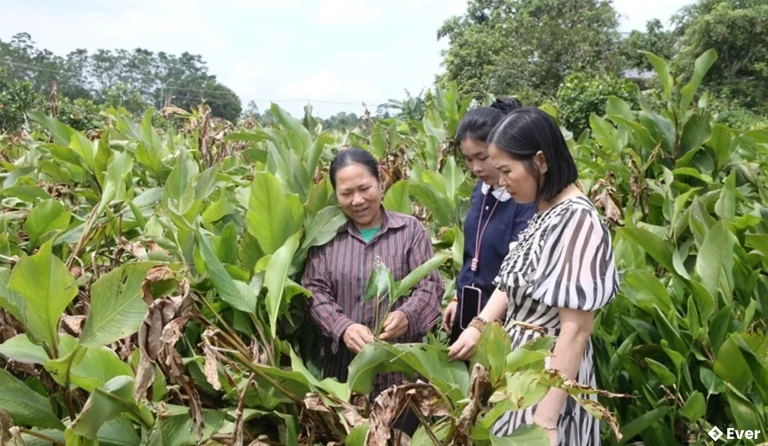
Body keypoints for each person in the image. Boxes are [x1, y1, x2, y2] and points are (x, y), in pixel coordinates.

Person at [447, 107, 619, 446]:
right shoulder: (544, 212)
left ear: (539, 161)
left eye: (507, 170)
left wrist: (546, 422)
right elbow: (511, 283)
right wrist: (477, 326)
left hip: (548, 381)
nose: (500, 180)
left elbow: (576, 329)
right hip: (519, 376)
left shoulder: (577, 220)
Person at [301, 147, 444, 435]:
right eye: (346, 193)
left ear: (381, 182)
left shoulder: (410, 231)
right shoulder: (326, 236)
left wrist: (407, 315)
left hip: (403, 378)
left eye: (365, 188)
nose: (357, 200)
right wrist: (343, 327)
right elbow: (313, 291)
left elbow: (430, 285)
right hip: (345, 379)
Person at [442, 98, 536, 344]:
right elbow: (473, 252)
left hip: (501, 325)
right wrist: (457, 297)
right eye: (468, 159)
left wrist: (481, 324)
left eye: (482, 157)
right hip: (468, 315)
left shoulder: (524, 200)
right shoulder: (480, 190)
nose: (475, 167)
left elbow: (519, 274)